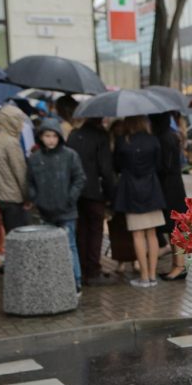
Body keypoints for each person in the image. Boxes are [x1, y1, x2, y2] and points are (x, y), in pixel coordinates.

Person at [27, 118, 87, 293]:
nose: (51, 139)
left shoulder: (70, 155)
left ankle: (76, 282)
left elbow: (79, 178)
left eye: (54, 136)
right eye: (47, 135)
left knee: (70, 246)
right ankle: (53, 281)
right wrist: (35, 197)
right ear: (41, 137)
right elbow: (30, 181)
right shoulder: (35, 158)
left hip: (67, 210)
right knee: (49, 248)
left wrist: (71, 197)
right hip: (45, 211)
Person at [113, 115, 166, 287]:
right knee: (152, 233)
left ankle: (143, 276)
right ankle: (152, 275)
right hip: (152, 188)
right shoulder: (153, 140)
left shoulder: (123, 141)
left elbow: (117, 165)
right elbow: (159, 164)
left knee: (137, 234)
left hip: (130, 190)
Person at [68, 117, 117, 286]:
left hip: (76, 190)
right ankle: (93, 270)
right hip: (95, 190)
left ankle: (80, 267)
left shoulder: (74, 135)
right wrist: (111, 195)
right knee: (95, 230)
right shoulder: (100, 136)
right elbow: (105, 168)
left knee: (81, 230)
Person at [150, 112, 188, 281]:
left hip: (169, 188)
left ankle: (179, 266)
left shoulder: (164, 138)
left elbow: (164, 165)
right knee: (175, 227)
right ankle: (176, 265)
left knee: (175, 228)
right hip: (174, 186)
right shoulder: (171, 136)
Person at [0, 104, 29, 234]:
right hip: (13, 198)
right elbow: (20, 172)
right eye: (19, 120)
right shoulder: (11, 142)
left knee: (9, 236)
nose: (21, 125)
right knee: (19, 238)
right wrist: (28, 196)